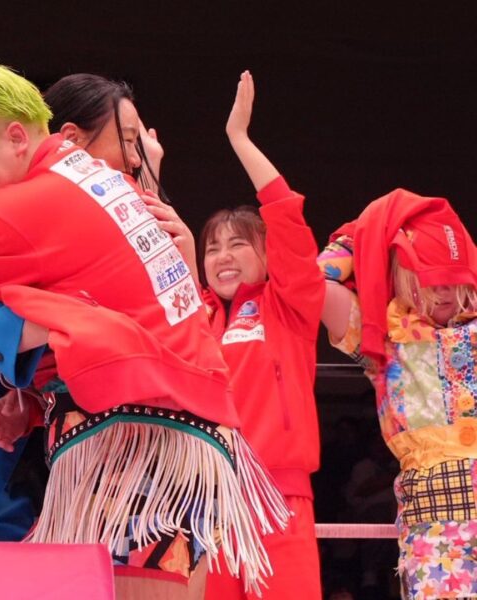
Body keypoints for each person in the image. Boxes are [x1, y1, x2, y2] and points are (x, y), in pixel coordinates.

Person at [0, 63, 288, 599]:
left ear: (17, 137)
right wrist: (33, 399)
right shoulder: (106, 186)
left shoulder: (25, 203)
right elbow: (117, 323)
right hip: (174, 440)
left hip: (136, 444)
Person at [198, 72, 325, 599]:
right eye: (212, 248)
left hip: (278, 497)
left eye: (237, 244)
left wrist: (239, 139)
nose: (222, 256)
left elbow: (287, 217)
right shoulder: (196, 319)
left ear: (267, 254)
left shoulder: (287, 305)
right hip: (204, 503)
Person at [319, 189, 477, 599]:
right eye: (429, 278)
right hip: (434, 529)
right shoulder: (384, 336)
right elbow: (312, 285)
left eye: (452, 278)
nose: (444, 291)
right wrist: (364, 236)